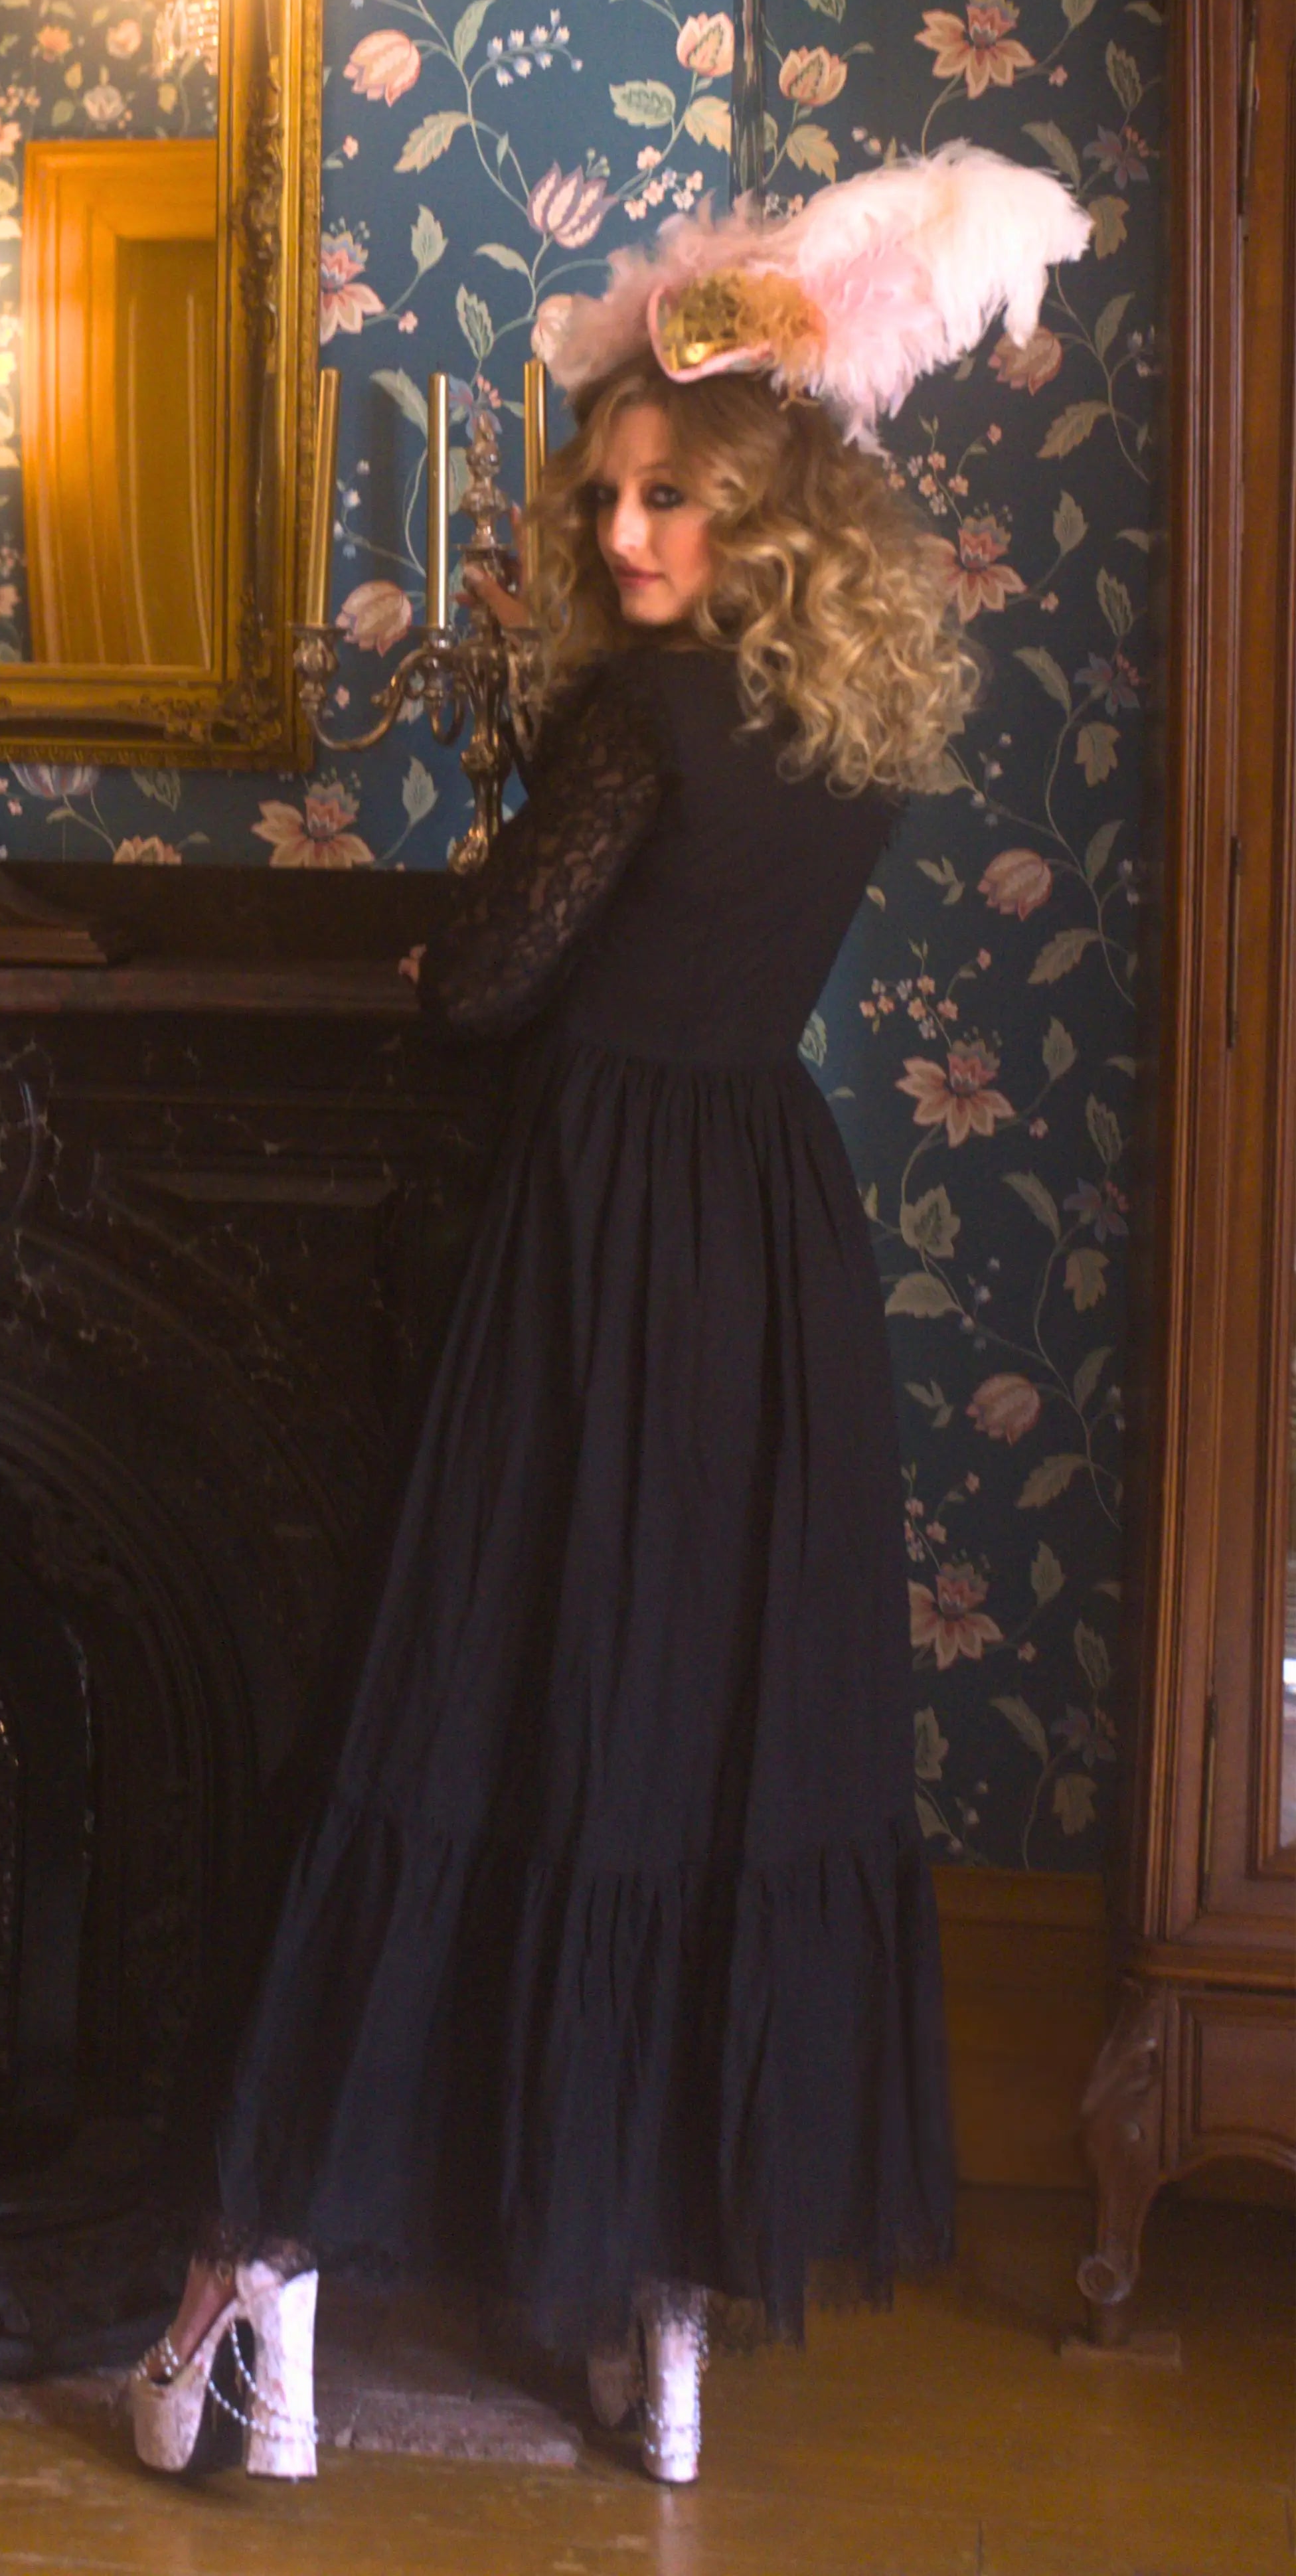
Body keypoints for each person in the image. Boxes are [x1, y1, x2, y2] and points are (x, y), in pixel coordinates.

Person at [128, 143, 1093, 2488]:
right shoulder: (851, 735)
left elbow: (484, 981)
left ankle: (252, 2309)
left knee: (452, 1716)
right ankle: (655, 2336)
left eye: (664, 503)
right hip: (761, 1241)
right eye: (610, 502)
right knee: (681, 1742)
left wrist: (445, 953)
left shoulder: (639, 724)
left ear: (762, 516)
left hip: (584, 1241)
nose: (624, 539)